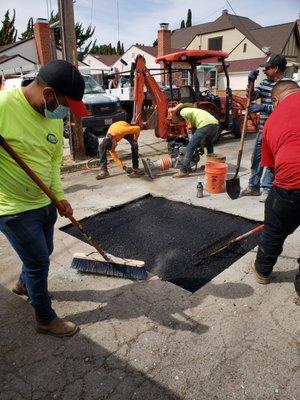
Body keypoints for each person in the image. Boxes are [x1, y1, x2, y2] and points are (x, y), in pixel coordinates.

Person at [0, 60, 88, 336]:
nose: (67, 114)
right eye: (66, 105)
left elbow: (52, 163)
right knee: (39, 262)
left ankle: (23, 285)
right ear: (49, 94)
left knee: (44, 252)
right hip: (13, 209)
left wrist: (59, 197)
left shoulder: (53, 119)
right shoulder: (3, 107)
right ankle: (45, 319)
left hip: (45, 203)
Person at [252, 80, 300, 303]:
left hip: (289, 186)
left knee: (274, 229)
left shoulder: (272, 120)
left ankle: (262, 271)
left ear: (276, 100)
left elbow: (270, 167)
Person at [241, 54, 287, 202]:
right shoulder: (265, 83)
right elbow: (251, 96)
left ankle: (267, 188)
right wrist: (251, 81)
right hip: (263, 130)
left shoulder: (287, 85)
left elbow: (285, 108)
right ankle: (253, 187)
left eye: (267, 68)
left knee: (271, 161)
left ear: (276, 68)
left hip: (278, 131)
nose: (265, 71)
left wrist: (264, 107)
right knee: (257, 159)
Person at [172, 103, 219, 178]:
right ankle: (211, 165)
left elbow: (191, 127)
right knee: (209, 143)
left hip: (205, 124)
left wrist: (189, 128)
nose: (182, 119)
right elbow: (200, 134)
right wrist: (202, 147)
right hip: (215, 124)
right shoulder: (195, 111)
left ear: (178, 113)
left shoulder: (182, 111)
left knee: (190, 147)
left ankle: (184, 170)